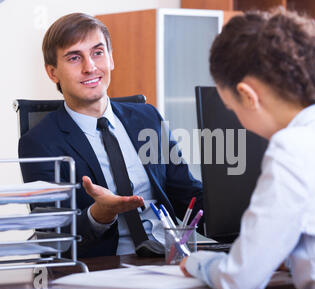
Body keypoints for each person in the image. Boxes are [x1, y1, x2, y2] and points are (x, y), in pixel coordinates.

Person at [180, 9, 315, 289]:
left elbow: (238, 285)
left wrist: (201, 262)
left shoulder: (293, 147)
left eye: (232, 108)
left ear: (248, 96)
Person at [18, 13, 203, 258]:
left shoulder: (148, 118)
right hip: (106, 269)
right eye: (74, 58)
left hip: (172, 259)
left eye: (98, 52)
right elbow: (54, 236)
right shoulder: (40, 143)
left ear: (111, 58)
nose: (90, 67)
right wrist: (98, 215)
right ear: (53, 73)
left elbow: (187, 194)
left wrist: (245, 203)